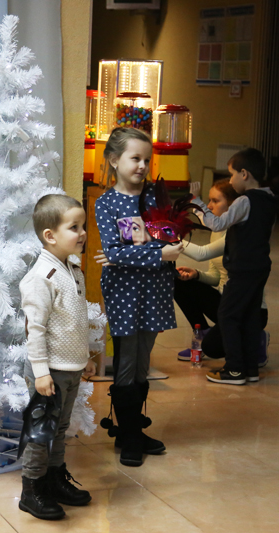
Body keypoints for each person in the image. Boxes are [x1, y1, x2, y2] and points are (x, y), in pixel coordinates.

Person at [94, 127, 184, 467]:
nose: (142, 166)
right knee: (127, 362)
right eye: (135, 158)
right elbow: (114, 252)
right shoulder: (108, 203)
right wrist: (157, 254)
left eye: (147, 159)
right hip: (124, 293)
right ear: (115, 161)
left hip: (156, 290)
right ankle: (126, 435)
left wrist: (159, 249)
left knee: (144, 362)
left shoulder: (155, 199)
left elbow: (169, 239)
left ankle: (134, 428)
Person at [18, 194, 97, 520]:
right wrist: (41, 372)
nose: (82, 233)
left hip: (69, 367)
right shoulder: (41, 278)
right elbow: (34, 330)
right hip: (48, 371)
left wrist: (85, 358)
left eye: (83, 226)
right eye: (74, 227)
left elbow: (73, 322)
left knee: (60, 428)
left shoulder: (72, 270)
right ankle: (31, 489)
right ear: (50, 236)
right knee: (41, 432)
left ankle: (53, 479)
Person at [189, 148, 277, 385]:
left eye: (232, 175)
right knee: (248, 316)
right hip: (259, 267)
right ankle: (250, 369)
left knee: (227, 316)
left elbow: (218, 224)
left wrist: (196, 202)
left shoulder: (245, 200)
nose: (230, 180)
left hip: (243, 269)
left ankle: (235, 370)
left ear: (244, 174)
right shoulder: (269, 198)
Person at [174, 180, 270, 366]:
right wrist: (196, 275)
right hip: (226, 301)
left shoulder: (238, 230)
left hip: (243, 306)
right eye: (208, 201)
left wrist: (169, 237)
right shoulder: (216, 231)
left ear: (233, 205)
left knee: (214, 348)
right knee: (178, 281)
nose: (209, 206)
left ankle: (256, 337)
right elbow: (216, 275)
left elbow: (202, 253)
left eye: (215, 201)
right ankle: (201, 333)